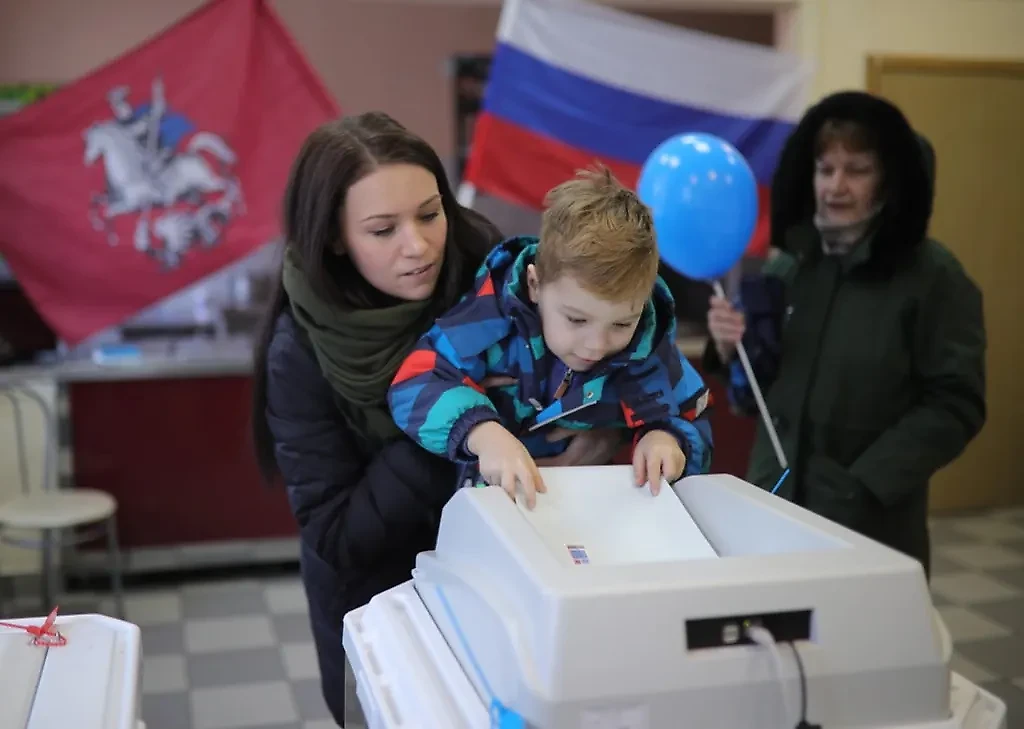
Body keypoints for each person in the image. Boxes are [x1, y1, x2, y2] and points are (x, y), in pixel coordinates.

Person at [250, 112, 626, 725]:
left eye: (430, 214)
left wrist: (607, 431)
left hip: (506, 586)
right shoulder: (300, 350)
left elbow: (603, 363)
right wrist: (461, 427)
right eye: (383, 229)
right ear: (336, 238)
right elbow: (337, 535)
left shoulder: (497, 280)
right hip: (377, 609)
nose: (419, 246)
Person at [704, 91, 986, 577]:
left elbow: (956, 404)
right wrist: (733, 349)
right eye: (825, 169)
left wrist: (864, 485)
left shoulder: (934, 277)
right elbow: (756, 399)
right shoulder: (791, 266)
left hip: (869, 522)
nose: (836, 186)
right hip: (773, 503)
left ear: (888, 181)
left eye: (857, 170)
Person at [388, 167, 714, 509]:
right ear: (535, 284)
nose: (596, 345)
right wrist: (482, 434)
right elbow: (414, 383)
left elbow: (694, 413)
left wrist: (668, 439)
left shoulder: (650, 347)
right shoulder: (490, 318)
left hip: (591, 512)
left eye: (621, 324)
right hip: (488, 507)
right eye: (576, 319)